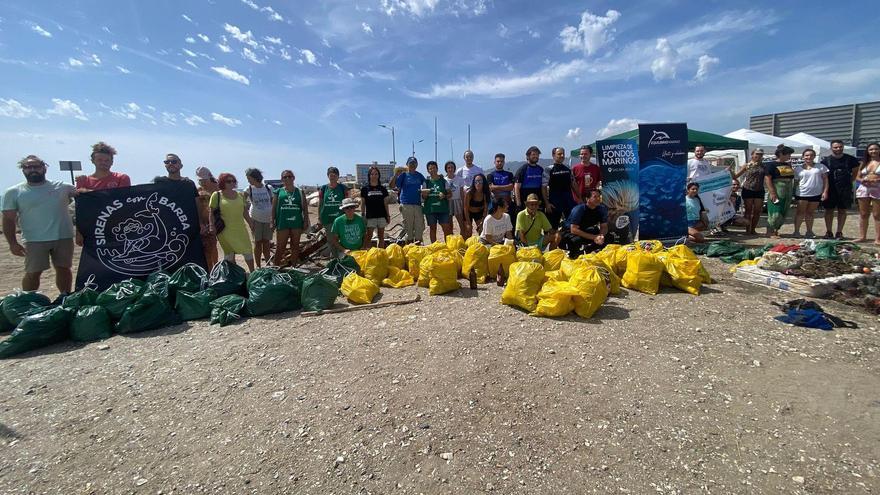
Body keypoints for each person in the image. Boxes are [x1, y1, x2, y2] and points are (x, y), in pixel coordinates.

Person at [3, 155, 77, 297]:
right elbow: (8, 219)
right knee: (33, 272)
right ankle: (26, 301)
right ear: (23, 170)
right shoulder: (14, 192)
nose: (32, 170)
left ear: (44, 168)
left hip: (63, 237)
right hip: (34, 240)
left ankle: (64, 297)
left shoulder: (63, 187)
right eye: (28, 167)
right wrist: (12, 243)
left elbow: (85, 194)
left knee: (64, 269)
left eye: (36, 166)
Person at [208, 173, 255, 271]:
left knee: (248, 251)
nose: (232, 183)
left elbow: (245, 212)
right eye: (228, 181)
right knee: (229, 254)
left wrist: (251, 223)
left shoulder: (240, 195)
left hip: (240, 229)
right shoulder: (216, 195)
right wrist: (211, 226)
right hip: (224, 230)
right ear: (222, 183)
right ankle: (235, 275)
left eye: (233, 181)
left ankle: (252, 273)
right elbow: (211, 212)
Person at [821, 139, 861, 239]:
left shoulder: (851, 159)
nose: (838, 149)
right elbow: (823, 176)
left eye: (840, 147)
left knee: (842, 211)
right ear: (831, 148)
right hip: (830, 189)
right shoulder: (825, 161)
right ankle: (829, 231)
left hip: (845, 189)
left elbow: (856, 172)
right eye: (836, 147)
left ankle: (839, 232)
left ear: (843, 147)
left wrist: (849, 182)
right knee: (829, 210)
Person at [273, 170, 308, 266]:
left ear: (293, 178)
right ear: (281, 179)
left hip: (296, 222)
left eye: (289, 176)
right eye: (285, 177)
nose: (287, 178)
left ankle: (293, 266)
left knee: (295, 246)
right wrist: (272, 221)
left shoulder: (300, 192)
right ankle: (275, 267)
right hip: (282, 222)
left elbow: (305, 208)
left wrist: (306, 221)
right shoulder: (278, 191)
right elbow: (274, 207)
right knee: (280, 247)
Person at [547, 147, 581, 245]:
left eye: (563, 154)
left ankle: (569, 245)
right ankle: (552, 250)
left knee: (572, 224)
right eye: (559, 154)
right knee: (553, 227)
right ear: (553, 155)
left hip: (568, 201)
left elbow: (573, 183)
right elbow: (544, 186)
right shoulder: (548, 169)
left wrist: (579, 198)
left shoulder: (567, 168)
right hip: (554, 202)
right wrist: (547, 202)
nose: (562, 156)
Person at [559, 189, 608, 257]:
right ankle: (573, 256)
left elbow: (604, 226)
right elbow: (573, 229)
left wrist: (601, 236)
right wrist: (594, 237)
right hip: (569, 232)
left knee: (608, 236)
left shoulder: (602, 209)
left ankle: (588, 250)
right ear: (587, 199)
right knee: (576, 240)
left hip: (584, 230)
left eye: (599, 196)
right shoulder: (579, 209)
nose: (598, 199)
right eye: (595, 197)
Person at [792, 149, 829, 238]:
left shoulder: (821, 167)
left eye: (811, 155)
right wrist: (793, 193)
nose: (809, 157)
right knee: (800, 213)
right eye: (807, 155)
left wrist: (825, 191)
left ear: (814, 156)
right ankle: (796, 231)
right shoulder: (798, 168)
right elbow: (796, 182)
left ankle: (809, 231)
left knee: (810, 213)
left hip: (816, 193)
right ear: (803, 157)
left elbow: (825, 180)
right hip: (801, 193)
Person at [243, 168, 274, 268]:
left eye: (249, 177)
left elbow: (273, 203)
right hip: (256, 219)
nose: (248, 180)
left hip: (268, 219)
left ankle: (268, 264)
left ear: (254, 177)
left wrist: (273, 219)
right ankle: (259, 266)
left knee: (266, 242)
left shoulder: (268, 188)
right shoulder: (249, 189)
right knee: (257, 243)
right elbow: (242, 204)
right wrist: (249, 221)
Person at [391, 157, 426, 243]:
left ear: (417, 165)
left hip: (417, 205)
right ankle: (409, 249)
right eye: (411, 163)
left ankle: (417, 248)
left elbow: (426, 185)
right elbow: (392, 186)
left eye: (414, 163)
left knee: (419, 228)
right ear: (407, 165)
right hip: (406, 204)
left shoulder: (420, 175)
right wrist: (396, 175)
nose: (413, 165)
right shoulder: (403, 175)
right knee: (408, 230)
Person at [764, 144, 796, 238]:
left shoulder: (788, 164)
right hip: (777, 189)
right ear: (781, 154)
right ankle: (769, 231)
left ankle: (776, 230)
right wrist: (773, 192)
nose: (790, 156)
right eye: (788, 154)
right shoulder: (771, 164)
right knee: (775, 210)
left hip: (788, 189)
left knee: (783, 210)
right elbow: (768, 178)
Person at [732, 148, 766, 235]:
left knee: (757, 211)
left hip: (759, 190)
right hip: (748, 189)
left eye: (761, 154)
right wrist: (730, 172)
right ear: (752, 155)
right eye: (757, 154)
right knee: (748, 210)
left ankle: (753, 229)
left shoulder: (764, 166)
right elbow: (736, 175)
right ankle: (748, 229)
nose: (759, 156)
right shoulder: (747, 165)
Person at [854, 142, 880, 244]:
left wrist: (876, 180)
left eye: (876, 149)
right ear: (868, 152)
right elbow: (857, 177)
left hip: (877, 188)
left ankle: (878, 238)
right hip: (864, 188)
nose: (873, 151)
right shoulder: (864, 162)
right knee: (863, 213)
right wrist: (861, 180)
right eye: (871, 149)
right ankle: (862, 236)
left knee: (877, 214)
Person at [454, 150, 484, 236]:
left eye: (470, 156)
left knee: (480, 228)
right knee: (467, 229)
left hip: (477, 200)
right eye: (467, 157)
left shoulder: (479, 169)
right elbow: (455, 181)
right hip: (466, 200)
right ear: (464, 158)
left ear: (473, 157)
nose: (469, 158)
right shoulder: (460, 170)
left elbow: (483, 182)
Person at [195, 166, 220, 268]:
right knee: (206, 248)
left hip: (216, 221)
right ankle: (210, 269)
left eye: (204, 180)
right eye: (200, 181)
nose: (203, 182)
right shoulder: (198, 189)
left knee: (213, 246)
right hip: (203, 221)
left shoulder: (217, 188)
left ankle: (215, 268)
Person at [360, 166, 390, 248]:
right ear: (369, 175)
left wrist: (388, 215)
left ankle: (380, 254)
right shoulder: (365, 189)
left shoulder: (383, 189)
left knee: (381, 237)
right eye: (372, 174)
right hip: (370, 217)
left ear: (378, 175)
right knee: (369, 237)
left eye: (376, 174)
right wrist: (363, 215)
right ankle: (367, 253)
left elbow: (385, 203)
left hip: (381, 216)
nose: (374, 175)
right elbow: (363, 203)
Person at [514, 145, 550, 214]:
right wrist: (518, 204)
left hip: (538, 200)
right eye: (533, 154)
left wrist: (546, 202)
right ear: (528, 156)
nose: (536, 156)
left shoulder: (540, 169)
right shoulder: (522, 170)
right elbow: (516, 188)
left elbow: (543, 186)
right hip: (525, 200)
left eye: (537, 155)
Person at [422, 161, 451, 243]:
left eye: (434, 168)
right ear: (428, 170)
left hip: (443, 209)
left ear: (437, 169)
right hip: (430, 210)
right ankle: (434, 247)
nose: (432, 170)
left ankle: (448, 246)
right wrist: (425, 195)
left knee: (446, 228)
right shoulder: (426, 182)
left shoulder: (443, 181)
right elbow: (423, 197)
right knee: (432, 228)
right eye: (430, 168)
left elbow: (450, 194)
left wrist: (444, 196)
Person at [318, 166, 348, 233]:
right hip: (327, 219)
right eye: (331, 175)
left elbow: (347, 204)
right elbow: (320, 204)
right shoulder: (323, 188)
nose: (333, 177)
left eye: (335, 175)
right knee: (330, 239)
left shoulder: (343, 188)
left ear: (338, 176)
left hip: (341, 218)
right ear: (328, 176)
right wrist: (319, 218)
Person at [444, 161, 466, 236]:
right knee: (450, 224)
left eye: (452, 167)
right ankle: (452, 242)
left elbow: (462, 193)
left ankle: (463, 240)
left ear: (454, 169)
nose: (450, 169)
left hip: (457, 201)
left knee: (461, 223)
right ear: (446, 169)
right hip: (448, 202)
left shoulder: (460, 179)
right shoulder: (444, 180)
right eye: (448, 168)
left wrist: (463, 204)